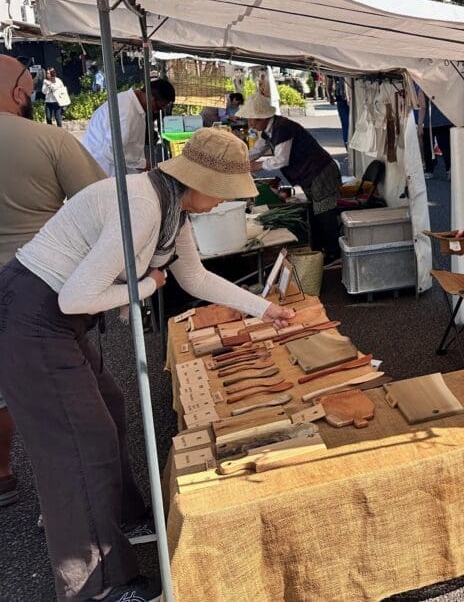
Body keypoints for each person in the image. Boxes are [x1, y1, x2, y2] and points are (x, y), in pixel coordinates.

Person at [0, 129, 295, 602]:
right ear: (196, 180)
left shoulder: (171, 206)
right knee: (79, 447)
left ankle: (117, 512)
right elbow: (77, 297)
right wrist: (149, 284)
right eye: (220, 193)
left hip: (55, 316)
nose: (221, 204)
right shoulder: (142, 207)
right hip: (34, 316)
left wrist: (265, 309)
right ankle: (98, 586)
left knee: (110, 409)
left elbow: (195, 277)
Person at [0, 55, 106, 511]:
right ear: (20, 92)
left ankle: (2, 473)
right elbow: (101, 203)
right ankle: (71, 505)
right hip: (41, 287)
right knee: (67, 400)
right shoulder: (49, 139)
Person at [241, 93, 343, 258]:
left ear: (262, 117)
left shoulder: (282, 128)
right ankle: (322, 252)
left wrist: (256, 166)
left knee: (325, 214)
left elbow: (281, 159)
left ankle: (335, 255)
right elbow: (257, 150)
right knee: (316, 213)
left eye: (252, 120)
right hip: (310, 175)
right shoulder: (269, 130)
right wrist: (242, 162)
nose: (250, 124)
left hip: (321, 172)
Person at [81, 78, 175, 176]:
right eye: (158, 107)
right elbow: (112, 151)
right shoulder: (127, 112)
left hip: (114, 167)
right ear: (150, 97)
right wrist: (141, 163)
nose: (156, 111)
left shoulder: (131, 103)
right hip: (104, 170)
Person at [413, 83, 452, 176]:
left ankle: (430, 170)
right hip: (444, 121)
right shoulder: (445, 86)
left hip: (428, 122)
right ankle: (450, 170)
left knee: (428, 148)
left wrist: (419, 125)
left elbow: (422, 107)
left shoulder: (423, 87)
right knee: (446, 147)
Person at [332, 77, 351, 147]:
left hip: (340, 97)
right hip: (351, 95)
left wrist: (330, 95)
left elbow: (330, 80)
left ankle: (348, 147)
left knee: (346, 124)